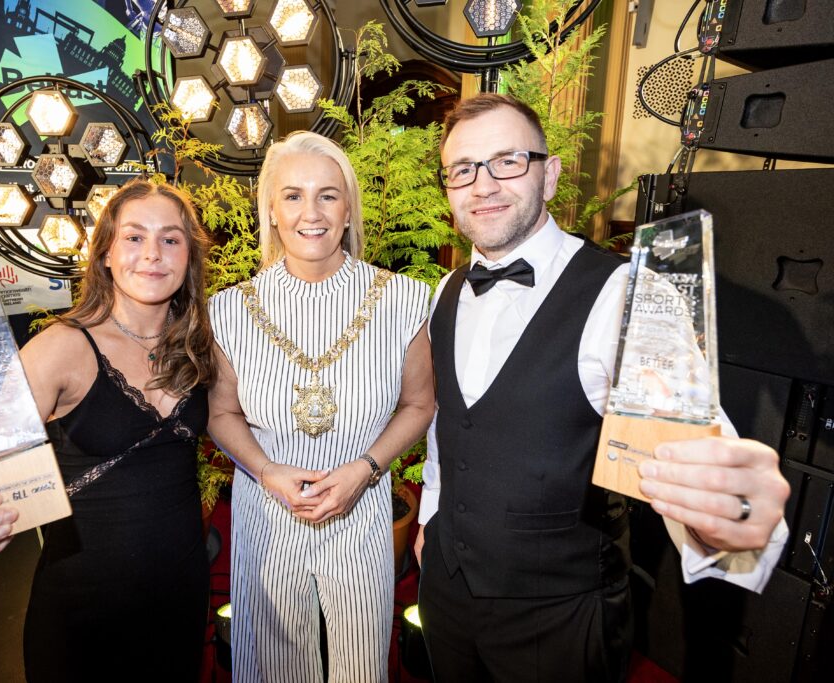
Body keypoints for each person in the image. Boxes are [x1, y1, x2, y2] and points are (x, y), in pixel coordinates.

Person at [414, 94, 791, 682]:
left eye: (507, 161)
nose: (483, 184)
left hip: (560, 616)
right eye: (463, 169)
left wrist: (726, 515)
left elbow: (690, 447)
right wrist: (431, 519)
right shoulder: (446, 291)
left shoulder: (627, 296)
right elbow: (448, 425)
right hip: (446, 593)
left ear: (550, 173)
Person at [0, 179, 216, 681]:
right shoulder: (63, 347)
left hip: (180, 594)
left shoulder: (199, 345)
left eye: (170, 239)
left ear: (188, 256)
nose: (153, 253)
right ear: (106, 253)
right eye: (134, 237)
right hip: (85, 612)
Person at [208, 131, 434, 682]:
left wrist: (366, 468)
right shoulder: (229, 310)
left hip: (363, 508)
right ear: (271, 211)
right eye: (293, 195)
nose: (311, 212)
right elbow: (221, 415)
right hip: (267, 515)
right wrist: (266, 471)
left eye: (327, 195)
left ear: (349, 208)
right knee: (272, 667)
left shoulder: (403, 299)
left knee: (361, 665)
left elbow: (419, 403)